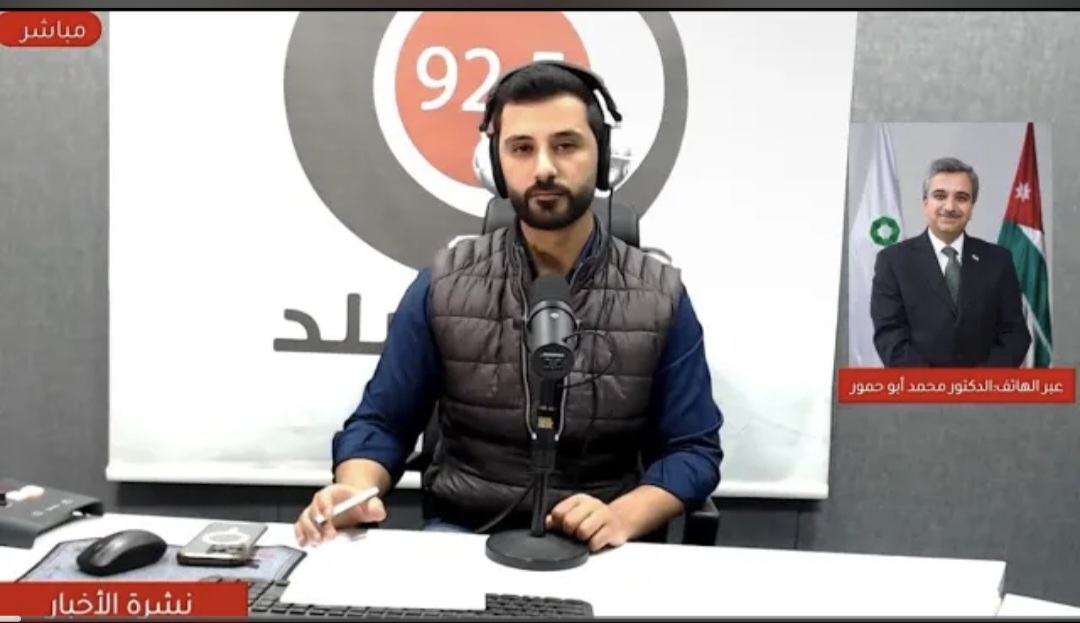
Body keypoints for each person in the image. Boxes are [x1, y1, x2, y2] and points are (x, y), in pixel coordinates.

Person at [294, 61, 723, 552]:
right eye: (521, 148)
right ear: (494, 166)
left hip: (600, 543)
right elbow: (382, 423)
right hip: (465, 536)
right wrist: (355, 489)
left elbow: (694, 450)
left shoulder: (661, 295)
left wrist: (623, 516)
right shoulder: (443, 285)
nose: (544, 168)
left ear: (606, 157)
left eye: (566, 145)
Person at [870, 156, 1031, 367]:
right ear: (925, 203)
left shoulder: (999, 260)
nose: (950, 206)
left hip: (985, 386)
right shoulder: (893, 261)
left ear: (971, 207)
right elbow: (889, 336)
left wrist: (979, 382)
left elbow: (1015, 334)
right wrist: (934, 384)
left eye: (961, 198)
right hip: (918, 386)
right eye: (940, 196)